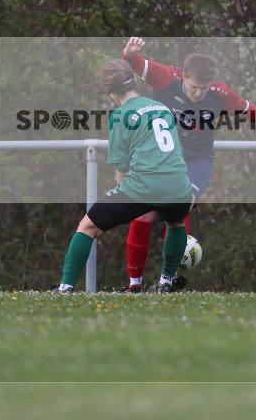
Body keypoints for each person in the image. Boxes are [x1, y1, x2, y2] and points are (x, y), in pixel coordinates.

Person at [119, 37, 256, 293]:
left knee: (180, 204)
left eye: (202, 89)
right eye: (193, 87)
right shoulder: (166, 77)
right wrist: (128, 53)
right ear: (183, 76)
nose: (198, 93)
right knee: (142, 214)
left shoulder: (220, 93)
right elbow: (133, 63)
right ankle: (134, 286)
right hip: (163, 158)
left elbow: (249, 110)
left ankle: (166, 281)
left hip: (198, 160)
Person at [55, 59, 193, 294]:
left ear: (109, 91)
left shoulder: (121, 116)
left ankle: (66, 287)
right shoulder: (160, 107)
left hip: (143, 187)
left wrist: (125, 200)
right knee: (177, 222)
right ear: (135, 81)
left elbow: (121, 167)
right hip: (179, 186)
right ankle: (166, 282)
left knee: (87, 227)